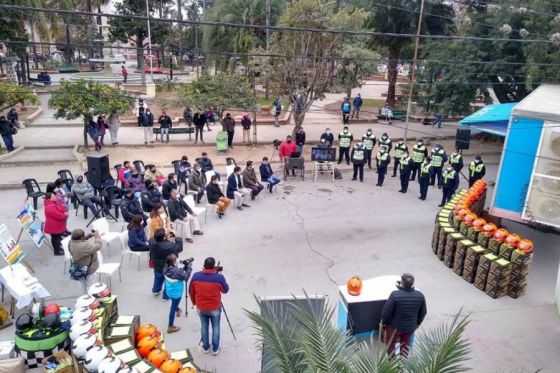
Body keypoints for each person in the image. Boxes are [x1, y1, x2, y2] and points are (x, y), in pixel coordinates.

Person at [189, 257, 230, 355]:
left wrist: (194, 303)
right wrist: (220, 276)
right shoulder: (219, 278)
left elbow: (191, 292)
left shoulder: (196, 276)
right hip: (215, 307)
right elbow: (225, 290)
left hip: (201, 307)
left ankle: (206, 347)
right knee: (216, 326)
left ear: (204, 265)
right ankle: (215, 349)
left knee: (204, 326)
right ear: (214, 267)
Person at [381, 273, 427, 357]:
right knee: (405, 343)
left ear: (401, 283)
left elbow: (386, 312)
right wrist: (417, 324)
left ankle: (392, 363)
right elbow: (423, 312)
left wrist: (384, 324)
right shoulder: (420, 295)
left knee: (390, 344)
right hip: (409, 327)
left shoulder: (395, 295)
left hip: (394, 327)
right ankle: (403, 361)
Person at [149, 228, 183, 301]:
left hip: (156, 265)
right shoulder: (170, 245)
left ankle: (156, 290)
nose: (167, 233)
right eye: (166, 233)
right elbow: (179, 248)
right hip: (168, 266)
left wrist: (168, 240)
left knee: (157, 277)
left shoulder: (151, 240)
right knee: (168, 281)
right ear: (164, 237)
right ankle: (166, 296)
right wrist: (177, 237)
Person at [164, 253, 192, 333]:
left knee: (174, 303)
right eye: (176, 260)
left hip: (169, 291)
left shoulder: (166, 267)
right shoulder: (176, 271)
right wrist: (189, 267)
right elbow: (186, 277)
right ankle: (170, 326)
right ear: (173, 262)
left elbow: (178, 273)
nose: (177, 261)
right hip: (176, 292)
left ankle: (178, 309)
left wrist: (183, 265)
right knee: (173, 307)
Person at [69, 229, 102, 294]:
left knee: (83, 285)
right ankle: (92, 300)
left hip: (79, 268)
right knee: (92, 286)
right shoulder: (83, 246)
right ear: (81, 237)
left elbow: (79, 241)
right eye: (83, 236)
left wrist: (89, 235)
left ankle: (85, 297)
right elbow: (98, 246)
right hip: (89, 269)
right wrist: (97, 237)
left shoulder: (71, 242)